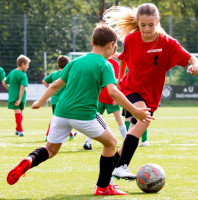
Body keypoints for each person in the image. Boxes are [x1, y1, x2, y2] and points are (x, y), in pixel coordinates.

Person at [6, 23, 153, 196]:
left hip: (60, 113)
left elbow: (55, 85)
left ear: (92, 41)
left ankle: (30, 159)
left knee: (51, 149)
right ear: (111, 45)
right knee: (111, 143)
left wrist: (40, 100)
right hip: (84, 115)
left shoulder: (74, 62)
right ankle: (103, 186)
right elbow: (113, 92)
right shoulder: (105, 65)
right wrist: (135, 111)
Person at [103, 3, 198, 180]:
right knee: (144, 118)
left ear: (157, 21)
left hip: (151, 97)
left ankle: (107, 173)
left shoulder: (167, 42)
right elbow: (125, 59)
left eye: (151, 24)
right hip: (130, 89)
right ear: (137, 23)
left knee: (132, 136)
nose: (147, 29)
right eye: (143, 25)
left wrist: (196, 66)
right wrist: (118, 82)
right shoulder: (132, 40)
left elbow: (190, 58)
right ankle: (122, 166)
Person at [83, 54, 127, 150]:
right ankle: (126, 141)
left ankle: (88, 142)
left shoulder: (97, 62)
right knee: (119, 120)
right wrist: (118, 96)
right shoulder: (114, 63)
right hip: (111, 95)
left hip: (98, 95)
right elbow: (117, 80)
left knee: (92, 119)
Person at [42, 55, 77, 141]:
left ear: (57, 65)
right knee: (65, 117)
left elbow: (44, 81)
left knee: (58, 118)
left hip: (54, 100)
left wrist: (50, 88)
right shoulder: (69, 74)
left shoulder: (54, 74)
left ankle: (70, 133)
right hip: (65, 100)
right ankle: (48, 135)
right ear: (68, 65)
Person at [3, 55, 31, 137]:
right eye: (27, 64)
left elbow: (4, 83)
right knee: (19, 112)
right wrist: (19, 99)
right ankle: (21, 130)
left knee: (19, 113)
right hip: (20, 97)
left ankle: (17, 129)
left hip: (13, 95)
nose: (28, 66)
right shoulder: (23, 75)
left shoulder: (12, 72)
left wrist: (10, 90)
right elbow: (22, 87)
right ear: (23, 64)